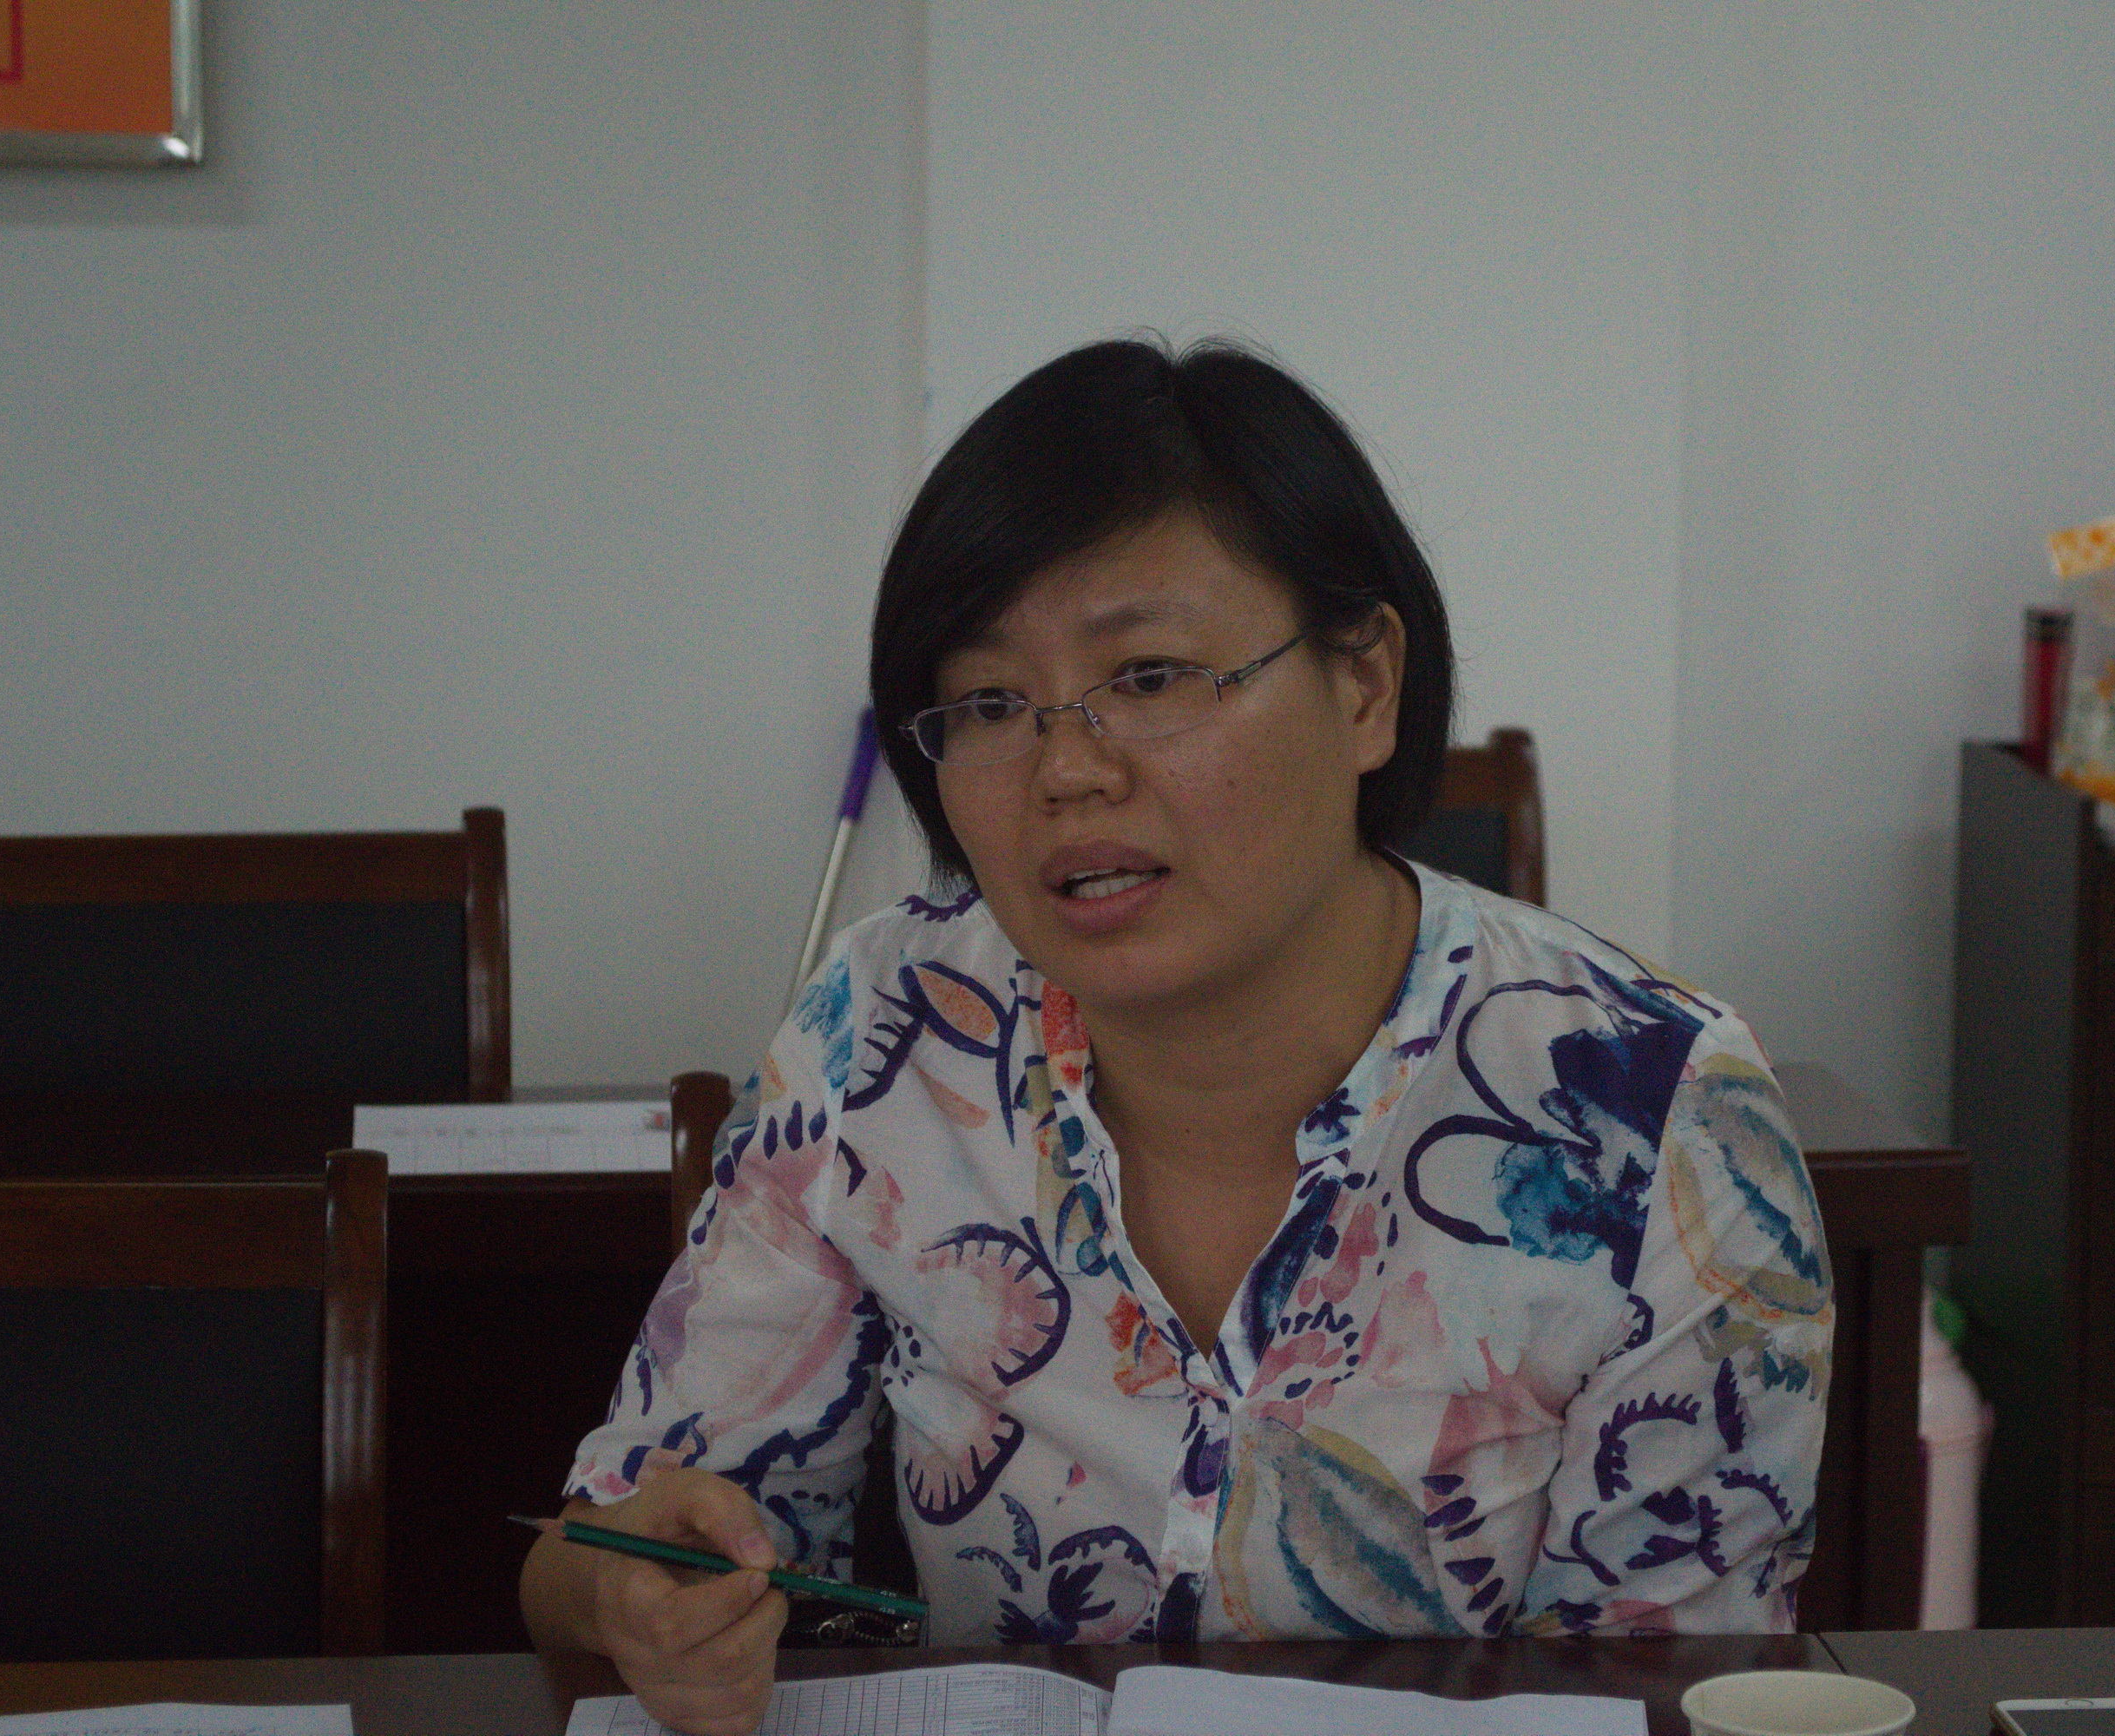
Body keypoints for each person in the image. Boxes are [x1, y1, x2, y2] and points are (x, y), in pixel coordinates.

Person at [521, 335, 1831, 1736]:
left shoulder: (1658, 1115)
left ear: (1364, 686)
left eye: (1148, 677)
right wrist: (642, 1599)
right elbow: (591, 1559)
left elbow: (1672, 1701)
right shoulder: (885, 1033)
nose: (1068, 769)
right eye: (990, 705)